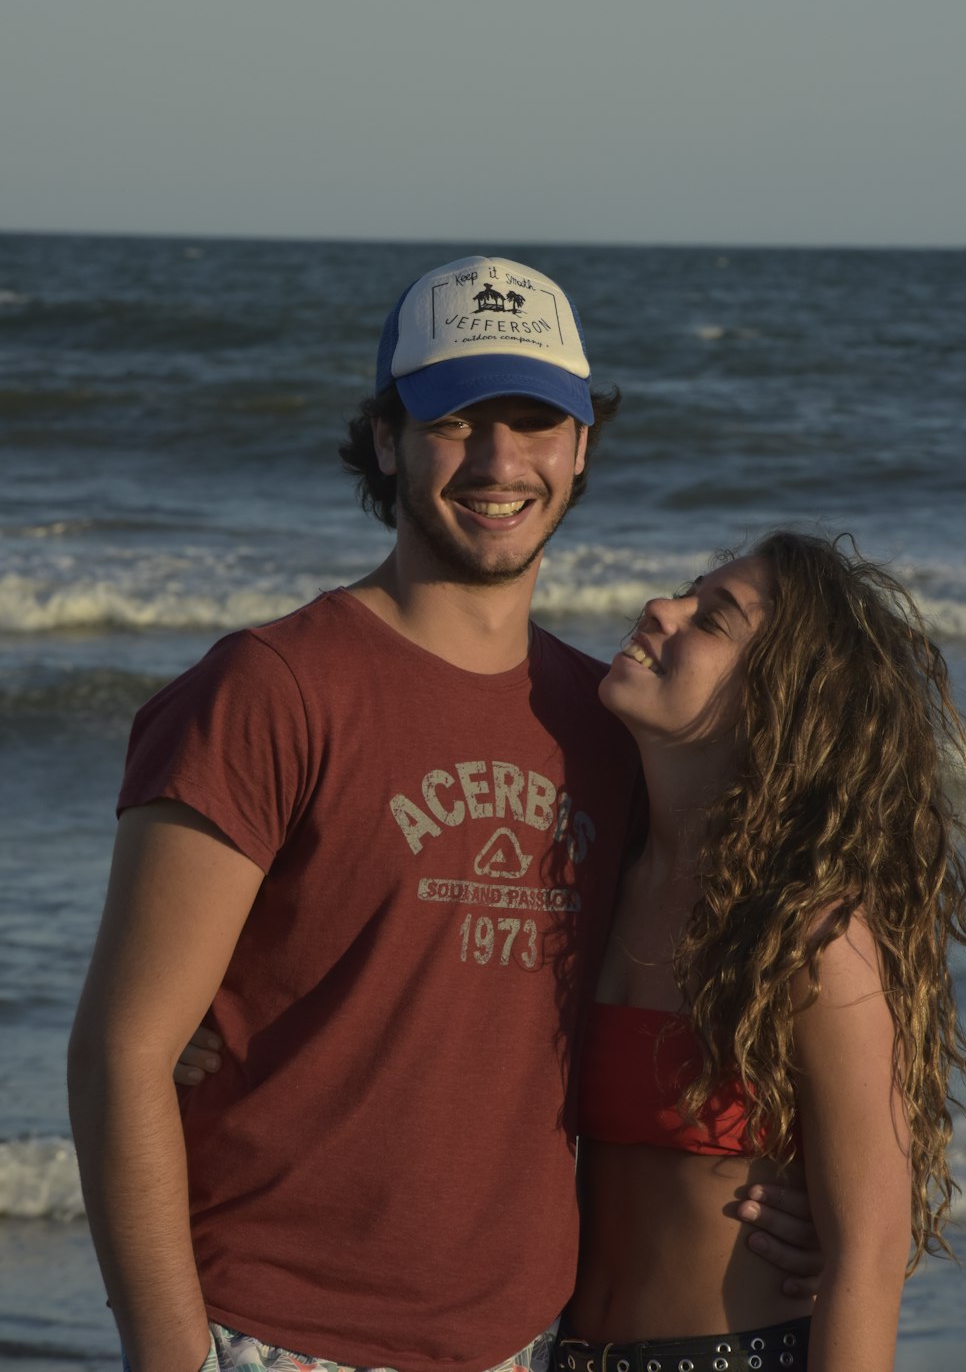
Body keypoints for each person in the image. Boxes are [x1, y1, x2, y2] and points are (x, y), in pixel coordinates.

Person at [68, 256, 820, 1372]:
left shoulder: (608, 725)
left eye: (534, 421)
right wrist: (172, 1355)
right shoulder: (267, 688)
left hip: (521, 1339)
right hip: (276, 1333)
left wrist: (787, 1187)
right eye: (457, 419)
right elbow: (121, 1050)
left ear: (580, 446)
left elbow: (701, 970)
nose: (500, 462)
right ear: (388, 439)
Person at [555, 531, 966, 1372]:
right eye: (688, 590)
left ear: (776, 704)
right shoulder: (590, 871)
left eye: (711, 618)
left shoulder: (814, 938)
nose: (661, 608)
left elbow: (868, 1256)